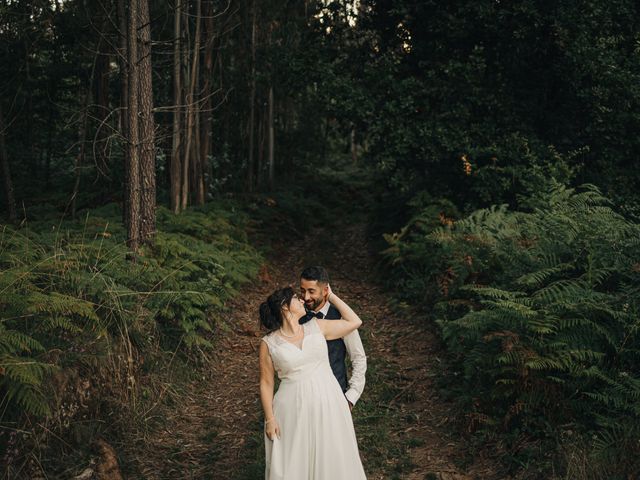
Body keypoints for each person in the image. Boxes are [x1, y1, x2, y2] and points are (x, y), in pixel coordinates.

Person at [259, 285, 367, 480]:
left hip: (328, 402)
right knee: (294, 462)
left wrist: (331, 296)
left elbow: (355, 321)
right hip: (291, 409)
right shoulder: (269, 343)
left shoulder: (317, 326)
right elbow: (266, 383)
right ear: (284, 307)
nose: (302, 300)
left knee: (332, 456)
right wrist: (270, 418)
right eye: (296, 298)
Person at [299, 266, 367, 409]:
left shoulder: (343, 318)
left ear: (325, 291)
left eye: (311, 291)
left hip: (335, 396)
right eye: (302, 291)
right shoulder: (298, 316)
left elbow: (358, 357)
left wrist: (351, 396)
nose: (306, 297)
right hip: (304, 397)